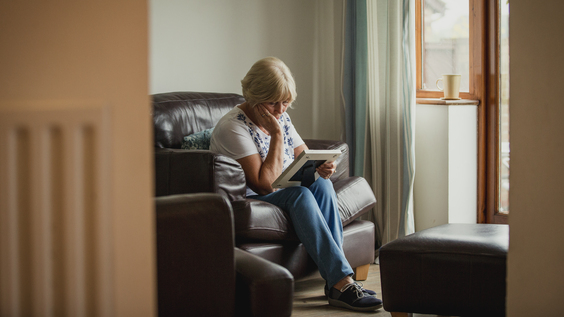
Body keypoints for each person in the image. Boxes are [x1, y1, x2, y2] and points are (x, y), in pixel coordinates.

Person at [210, 57, 383, 312]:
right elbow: (264, 184)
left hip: (283, 189)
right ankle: (342, 282)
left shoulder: (281, 116)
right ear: (255, 97)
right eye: (273, 102)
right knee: (300, 195)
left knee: (322, 185)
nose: (281, 110)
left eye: (286, 101)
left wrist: (322, 167)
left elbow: (304, 157)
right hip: (251, 198)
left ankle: (338, 283)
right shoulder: (233, 127)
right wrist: (277, 133)